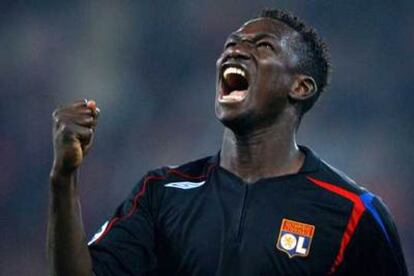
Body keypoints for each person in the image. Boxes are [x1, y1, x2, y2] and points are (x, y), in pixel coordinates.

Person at [47, 9, 408, 276]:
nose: (235, 51)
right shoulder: (162, 193)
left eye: (262, 45)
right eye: (231, 44)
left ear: (300, 87)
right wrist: (64, 180)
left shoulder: (354, 212)